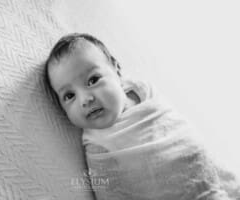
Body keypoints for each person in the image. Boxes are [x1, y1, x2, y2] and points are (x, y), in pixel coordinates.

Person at [44, 33, 239, 200]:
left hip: (207, 177)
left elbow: (178, 130)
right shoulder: (97, 145)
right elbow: (110, 192)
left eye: (93, 80)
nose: (85, 99)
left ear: (117, 70)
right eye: (69, 96)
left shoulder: (145, 93)